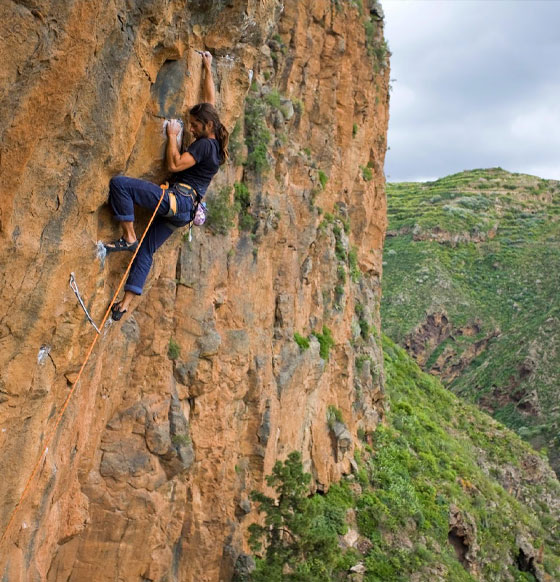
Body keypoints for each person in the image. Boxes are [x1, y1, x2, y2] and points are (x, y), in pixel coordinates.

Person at [104, 51, 228, 321]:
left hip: (179, 200)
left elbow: (174, 165)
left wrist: (173, 135)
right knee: (147, 249)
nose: (191, 129)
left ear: (205, 126)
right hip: (184, 211)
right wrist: (207, 67)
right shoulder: (215, 137)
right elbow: (210, 100)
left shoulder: (205, 145)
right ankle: (124, 305)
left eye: (194, 126)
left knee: (120, 185)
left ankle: (127, 236)